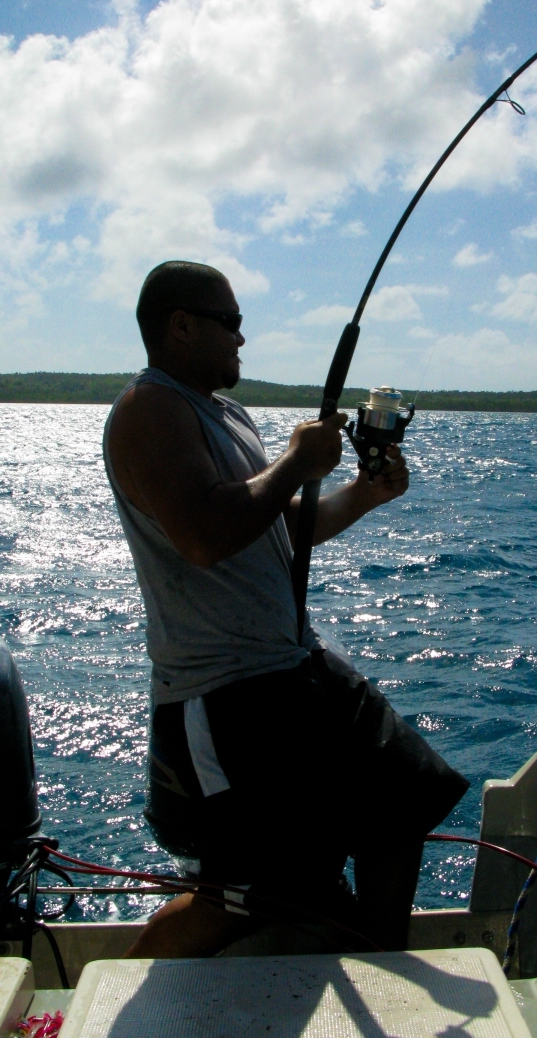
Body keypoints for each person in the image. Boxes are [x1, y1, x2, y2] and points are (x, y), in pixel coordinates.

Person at [103, 260, 468, 958]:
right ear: (181, 326)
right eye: (230, 322)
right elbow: (204, 536)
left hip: (297, 661)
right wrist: (297, 462)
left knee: (402, 800)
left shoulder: (226, 414)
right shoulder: (149, 411)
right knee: (259, 891)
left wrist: (363, 495)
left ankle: (381, 965)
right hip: (226, 690)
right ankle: (115, 995)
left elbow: (273, 525)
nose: (242, 338)